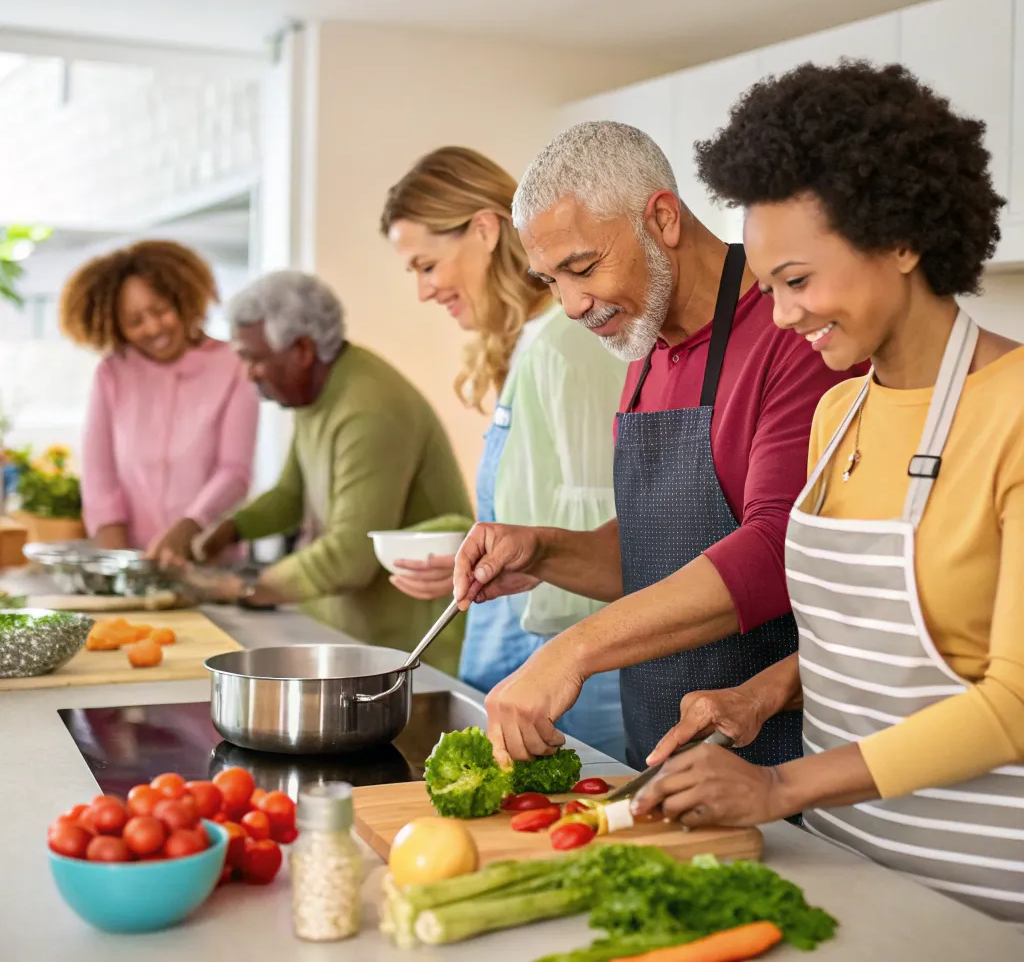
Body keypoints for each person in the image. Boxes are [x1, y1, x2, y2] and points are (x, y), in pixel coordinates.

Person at [629, 62, 1024, 923]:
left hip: (983, 894)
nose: (781, 316)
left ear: (902, 241)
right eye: (768, 288)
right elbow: (886, 635)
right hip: (843, 863)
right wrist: (763, 692)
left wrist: (775, 785)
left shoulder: (1016, 411)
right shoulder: (839, 410)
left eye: (798, 281)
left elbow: (1012, 705)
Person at [452, 121, 863, 770]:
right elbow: (655, 554)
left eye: (582, 267)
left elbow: (777, 550)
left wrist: (573, 650)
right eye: (550, 280)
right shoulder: (643, 350)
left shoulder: (792, 334)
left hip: (775, 763)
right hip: (662, 758)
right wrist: (547, 550)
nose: (572, 303)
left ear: (664, 219)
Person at [381, 147, 628, 760]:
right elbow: (547, 519)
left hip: (567, 684)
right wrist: (476, 557)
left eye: (426, 264)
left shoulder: (568, 346)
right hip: (525, 671)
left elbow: (604, 537)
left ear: (486, 231)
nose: (422, 290)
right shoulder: (530, 347)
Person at [180, 269, 473, 677]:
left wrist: (242, 588)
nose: (247, 375)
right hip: (358, 639)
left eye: (254, 359)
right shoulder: (315, 392)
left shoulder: (369, 408)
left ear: (301, 350)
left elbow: (350, 556)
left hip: (414, 653)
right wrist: (231, 529)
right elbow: (290, 495)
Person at [61, 240, 259, 560]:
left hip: (208, 559)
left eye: (161, 310)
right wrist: (117, 562)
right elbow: (100, 475)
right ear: (117, 328)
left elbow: (234, 471)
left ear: (182, 300)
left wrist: (190, 526)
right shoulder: (112, 373)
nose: (153, 328)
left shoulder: (233, 365)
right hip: (133, 560)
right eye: (135, 321)